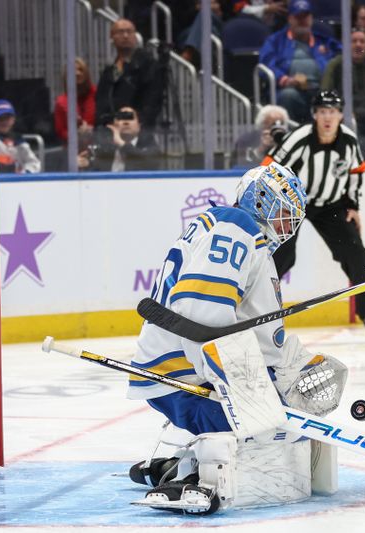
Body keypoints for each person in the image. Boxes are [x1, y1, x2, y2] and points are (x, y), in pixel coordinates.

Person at [127, 164, 346, 513]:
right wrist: (234, 388)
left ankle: (171, 465)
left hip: (188, 372)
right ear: (258, 201)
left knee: (280, 421)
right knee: (272, 428)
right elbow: (200, 315)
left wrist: (292, 364)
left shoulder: (244, 237)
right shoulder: (236, 226)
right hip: (183, 378)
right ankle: (190, 477)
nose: (287, 223)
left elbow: (250, 326)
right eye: (282, 211)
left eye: (292, 215)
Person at [262, 91, 365, 340]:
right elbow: (269, 167)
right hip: (293, 205)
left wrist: (352, 205)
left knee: (357, 254)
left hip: (331, 205)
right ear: (314, 115)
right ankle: (263, 312)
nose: (327, 117)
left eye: (332, 112)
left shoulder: (348, 141)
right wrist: (271, 205)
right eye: (322, 112)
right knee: (281, 258)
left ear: (340, 115)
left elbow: (357, 170)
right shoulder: (299, 139)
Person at [259, 0, 342, 123]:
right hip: (291, 90)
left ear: (311, 18)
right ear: (289, 19)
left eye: (305, 17)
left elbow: (348, 54)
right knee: (288, 96)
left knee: (333, 97)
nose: (302, 21)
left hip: (320, 89)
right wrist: (285, 79)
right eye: (298, 17)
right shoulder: (275, 41)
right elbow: (266, 64)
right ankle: (291, 138)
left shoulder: (324, 41)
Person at [95, 18, 164, 129]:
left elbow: (153, 100)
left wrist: (138, 123)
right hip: (111, 132)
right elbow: (101, 101)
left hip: (139, 131)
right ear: (112, 37)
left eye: (129, 32)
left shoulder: (148, 64)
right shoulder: (109, 70)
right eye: (121, 32)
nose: (126, 36)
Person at [78, 106, 161, 172]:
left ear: (139, 126)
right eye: (122, 118)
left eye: (130, 118)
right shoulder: (105, 145)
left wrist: (121, 144)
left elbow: (149, 163)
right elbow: (97, 169)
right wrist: (85, 163)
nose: (126, 122)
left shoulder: (149, 142)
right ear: (114, 124)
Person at [0, 99, 41, 173]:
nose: (4, 122)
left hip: (16, 180)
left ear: (13, 119)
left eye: (7, 118)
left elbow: (34, 163)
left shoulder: (19, 140)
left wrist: (25, 172)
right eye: (0, 119)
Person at [53, 57, 97, 147]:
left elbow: (107, 122)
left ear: (86, 73)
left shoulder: (98, 94)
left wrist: (92, 131)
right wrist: (77, 136)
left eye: (81, 70)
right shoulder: (61, 102)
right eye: (73, 70)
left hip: (98, 146)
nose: (77, 73)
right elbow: (60, 130)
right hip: (73, 149)